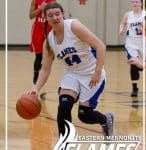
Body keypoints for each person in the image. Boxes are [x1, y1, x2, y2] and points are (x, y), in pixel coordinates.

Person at [30, 2, 114, 137]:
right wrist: (36, 88)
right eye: (50, 15)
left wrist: (97, 72)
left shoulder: (74, 26)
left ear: (62, 14)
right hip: (72, 74)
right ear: (46, 18)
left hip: (91, 72)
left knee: (84, 115)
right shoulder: (48, 41)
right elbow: (45, 69)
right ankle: (65, 141)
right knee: (64, 105)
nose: (55, 17)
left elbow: (100, 46)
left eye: (57, 14)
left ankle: (106, 120)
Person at [119, 0, 146, 97]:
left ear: (141, 3)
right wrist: (121, 29)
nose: (134, 3)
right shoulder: (128, 14)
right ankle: (135, 88)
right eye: (133, 2)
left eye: (136, 2)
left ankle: (139, 67)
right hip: (131, 42)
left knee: (140, 66)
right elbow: (123, 23)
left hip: (143, 42)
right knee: (133, 63)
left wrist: (143, 29)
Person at [29, 0, 55, 85]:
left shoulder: (53, 1)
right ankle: (35, 80)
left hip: (49, 29)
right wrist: (40, 8)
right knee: (39, 56)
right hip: (38, 30)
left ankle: (42, 77)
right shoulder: (35, 1)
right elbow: (31, 16)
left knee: (49, 57)